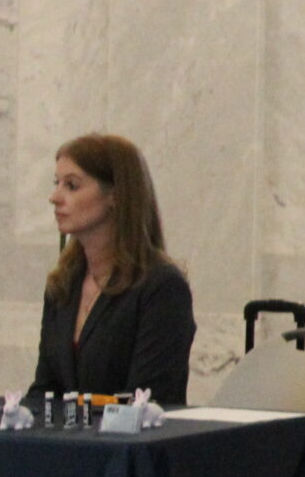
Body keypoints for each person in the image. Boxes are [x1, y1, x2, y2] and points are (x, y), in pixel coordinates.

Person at [31, 133, 196, 406]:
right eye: (56, 183)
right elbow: (45, 391)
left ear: (115, 195)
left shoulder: (162, 287)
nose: (54, 197)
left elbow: (148, 400)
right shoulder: (63, 284)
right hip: (70, 433)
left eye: (71, 185)